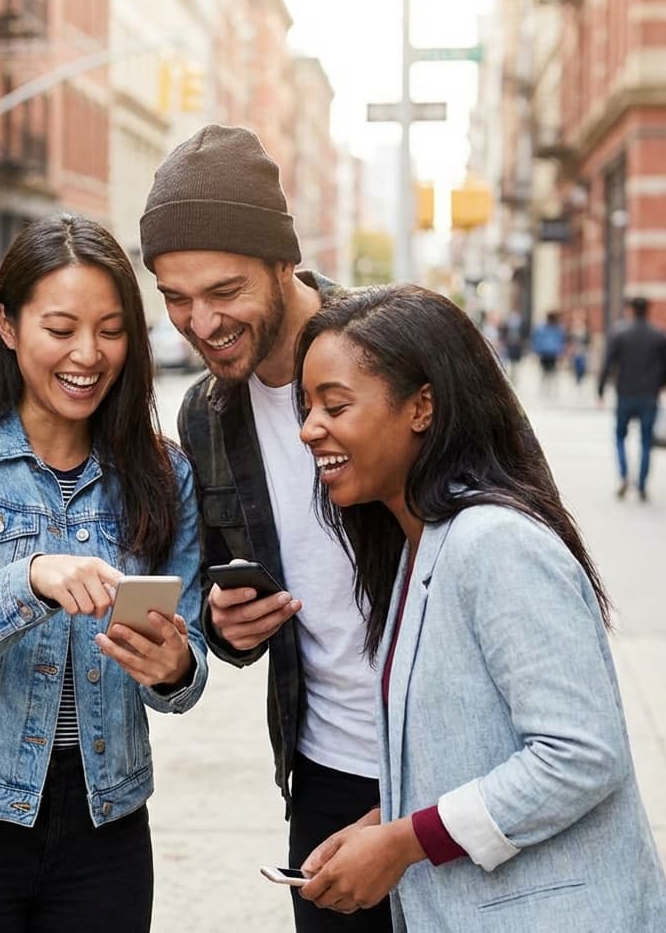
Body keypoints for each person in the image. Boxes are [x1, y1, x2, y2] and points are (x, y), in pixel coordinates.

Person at [292, 283, 666, 931]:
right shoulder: (418, 545)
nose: (308, 429)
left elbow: (581, 755)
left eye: (335, 404)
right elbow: (473, 746)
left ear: (422, 408)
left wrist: (406, 842)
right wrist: (384, 825)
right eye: (305, 406)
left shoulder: (494, 544)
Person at [0, 213, 208, 933]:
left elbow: (185, 679)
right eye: (60, 329)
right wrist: (27, 580)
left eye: (112, 330)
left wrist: (175, 665)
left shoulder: (164, 473)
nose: (88, 354)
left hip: (105, 822)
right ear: (7, 325)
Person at [141, 124, 389, 932]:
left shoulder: (400, 351)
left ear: (285, 262)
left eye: (224, 291)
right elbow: (233, 612)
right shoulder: (207, 414)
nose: (200, 321)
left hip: (452, 764)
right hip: (325, 769)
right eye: (175, 297)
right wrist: (230, 629)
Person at [597, 295, 666, 501]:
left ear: (631, 310)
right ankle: (642, 484)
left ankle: (624, 475)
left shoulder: (620, 334)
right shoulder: (658, 334)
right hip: (649, 395)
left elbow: (608, 363)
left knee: (620, 436)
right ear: (648, 310)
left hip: (625, 393)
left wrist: (601, 389)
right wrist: (659, 385)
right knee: (646, 440)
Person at [530, 310, 566, 394]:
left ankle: (548, 388)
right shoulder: (554, 328)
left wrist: (536, 351)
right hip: (549, 353)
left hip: (548, 353)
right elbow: (561, 342)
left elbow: (561, 341)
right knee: (548, 371)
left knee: (548, 371)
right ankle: (547, 388)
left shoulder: (556, 328)